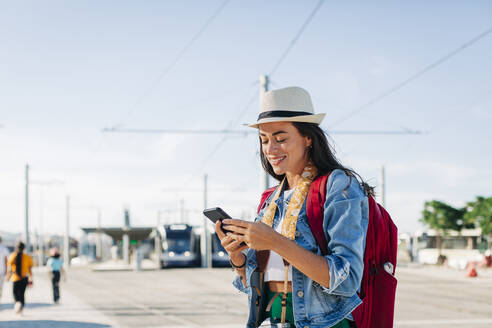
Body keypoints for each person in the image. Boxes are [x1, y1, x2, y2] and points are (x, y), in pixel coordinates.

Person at [216, 87, 371, 328]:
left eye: (280, 138)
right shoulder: (270, 199)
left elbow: (347, 279)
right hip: (271, 321)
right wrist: (237, 257)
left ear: (308, 138)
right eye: (264, 140)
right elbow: (258, 286)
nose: (270, 149)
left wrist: (275, 241)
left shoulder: (338, 185)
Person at [6, 241, 34, 315]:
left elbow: (9, 268)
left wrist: (8, 277)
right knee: (22, 294)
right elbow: (30, 269)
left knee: (15, 294)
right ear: (24, 248)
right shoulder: (27, 257)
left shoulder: (12, 256)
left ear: (16, 247)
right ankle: (21, 309)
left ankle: (17, 305)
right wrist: (31, 278)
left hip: (15, 278)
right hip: (24, 278)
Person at [0, 236, 10, 301]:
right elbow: (7, 261)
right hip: (2, 270)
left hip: (2, 270)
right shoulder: (4, 249)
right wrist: (7, 270)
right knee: (0, 286)